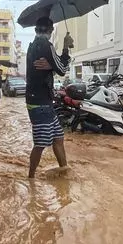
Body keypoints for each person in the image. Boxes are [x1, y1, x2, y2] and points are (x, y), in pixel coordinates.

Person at [25, 17, 74, 178]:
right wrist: (66, 47)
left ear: (35, 30)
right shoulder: (47, 45)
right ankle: (30, 178)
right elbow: (63, 69)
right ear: (51, 30)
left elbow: (49, 68)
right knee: (40, 144)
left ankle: (64, 170)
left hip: (41, 101)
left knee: (58, 138)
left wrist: (51, 66)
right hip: (41, 103)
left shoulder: (32, 47)